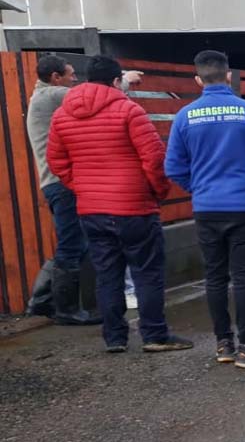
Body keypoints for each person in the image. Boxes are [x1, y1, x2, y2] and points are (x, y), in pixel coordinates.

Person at [47, 55, 193, 354]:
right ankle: (154, 335)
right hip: (134, 207)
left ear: (87, 79)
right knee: (147, 272)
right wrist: (157, 191)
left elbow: (57, 162)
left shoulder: (62, 116)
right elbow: (153, 159)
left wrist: (82, 187)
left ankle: (114, 338)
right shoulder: (130, 110)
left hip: (92, 209)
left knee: (107, 274)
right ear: (116, 81)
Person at [165, 50, 245, 368]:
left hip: (207, 209)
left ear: (198, 79)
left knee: (215, 277)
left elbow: (173, 166)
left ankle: (224, 346)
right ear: (228, 75)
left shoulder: (185, 117)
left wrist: (199, 189)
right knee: (243, 277)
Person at [25, 55, 141, 325]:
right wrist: (124, 80)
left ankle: (41, 301)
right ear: (55, 77)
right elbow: (93, 96)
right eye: (70, 74)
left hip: (54, 183)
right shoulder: (54, 95)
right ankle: (65, 310)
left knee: (74, 243)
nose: (75, 78)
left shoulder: (42, 96)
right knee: (71, 244)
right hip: (61, 183)